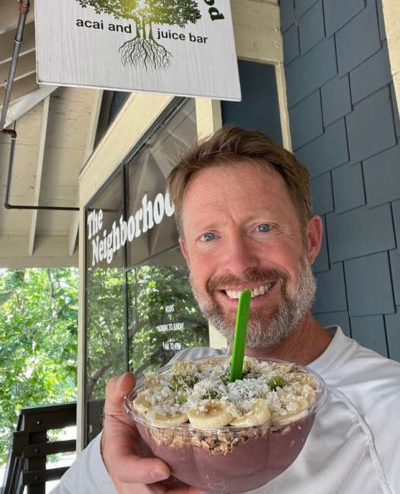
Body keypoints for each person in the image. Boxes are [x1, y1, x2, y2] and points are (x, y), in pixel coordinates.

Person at [55, 126, 400, 494]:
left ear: (310, 241)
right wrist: (112, 467)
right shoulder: (179, 379)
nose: (237, 263)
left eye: (263, 227)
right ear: (188, 257)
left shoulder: (387, 411)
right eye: (209, 237)